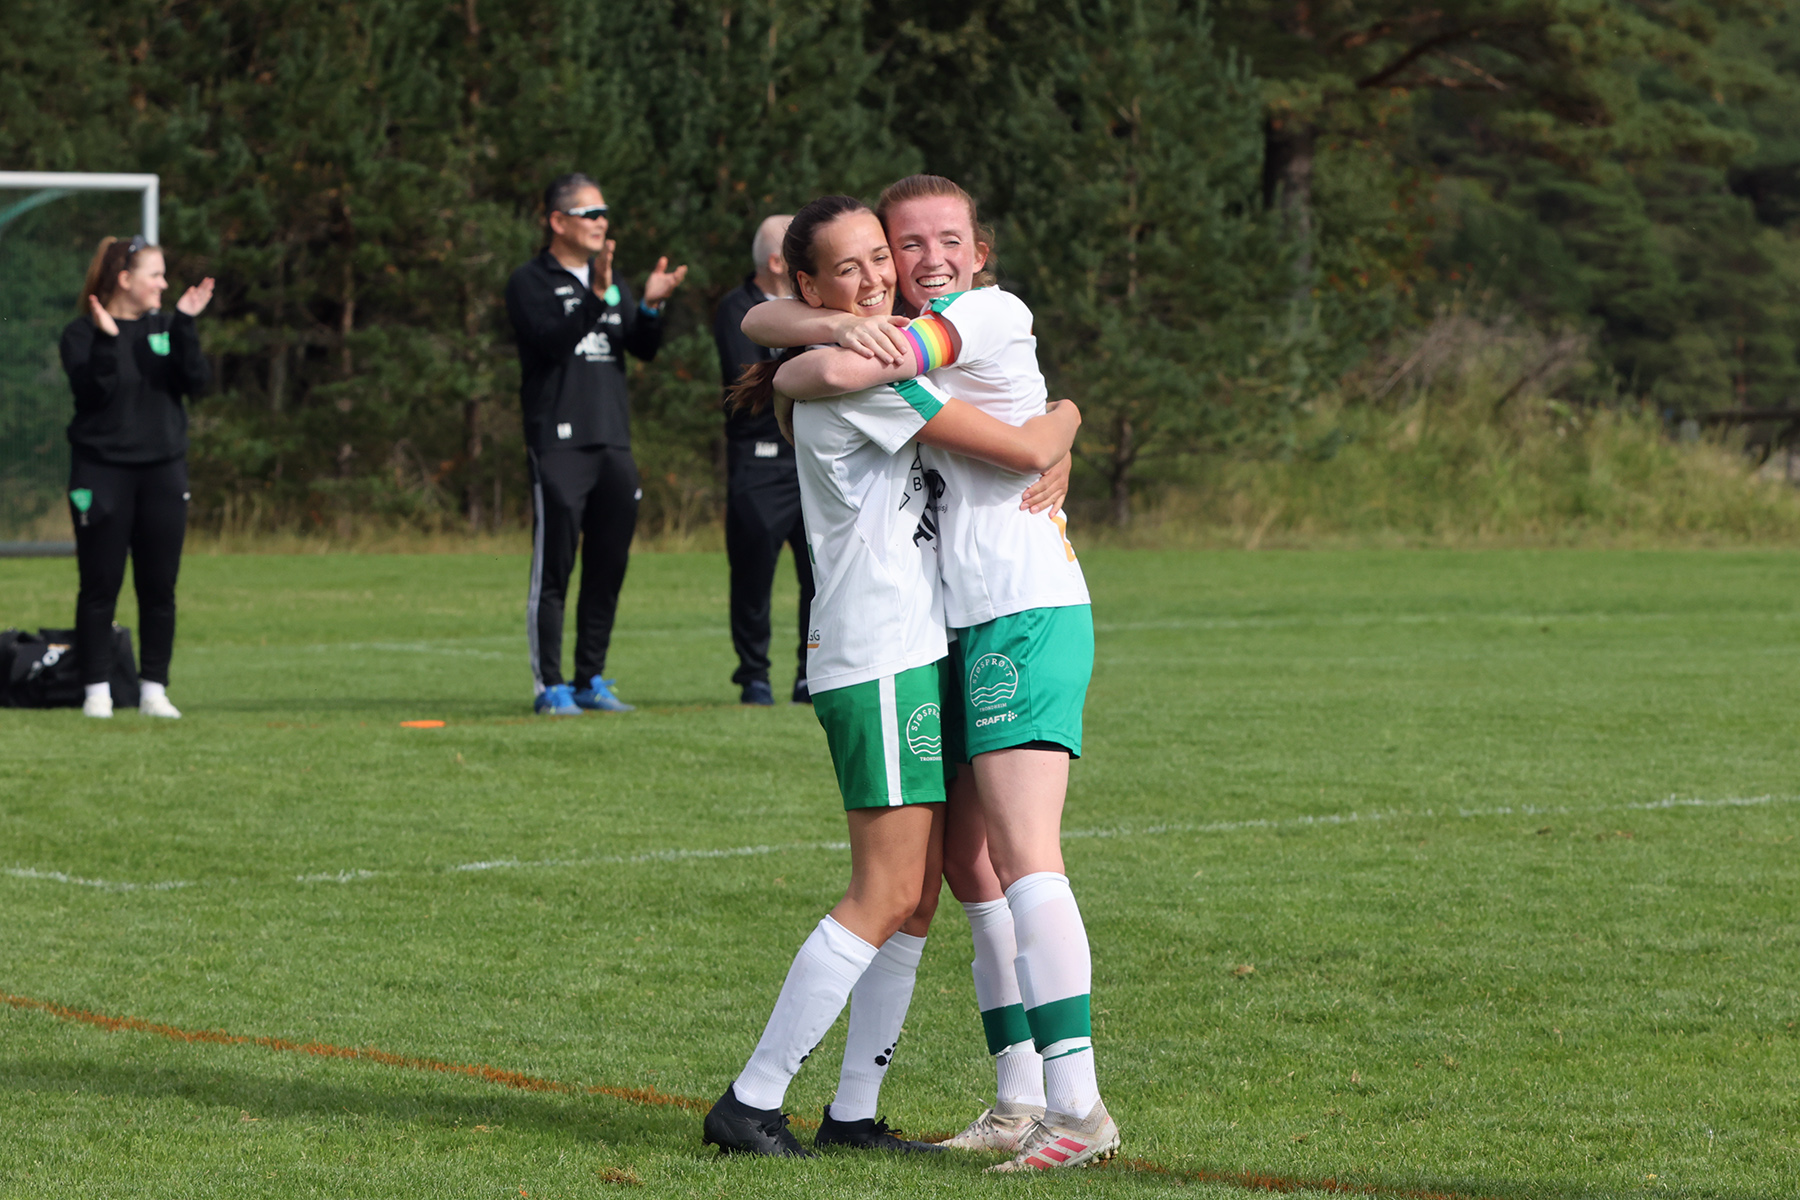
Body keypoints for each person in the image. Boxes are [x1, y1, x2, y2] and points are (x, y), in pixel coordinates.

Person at [742, 174, 1116, 1171]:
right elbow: (792, 351)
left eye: (932, 243)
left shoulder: (956, 327)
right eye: (893, 250)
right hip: (907, 645)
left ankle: (1054, 1103)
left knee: (979, 869)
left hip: (992, 619)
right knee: (936, 879)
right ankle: (1010, 1098)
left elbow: (806, 346)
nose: (911, 265)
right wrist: (801, 344)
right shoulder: (873, 358)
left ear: (981, 252)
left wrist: (1064, 420)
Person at [506, 172, 688, 716]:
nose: (601, 222)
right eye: (590, 213)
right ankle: (550, 685)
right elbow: (553, 343)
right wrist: (595, 294)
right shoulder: (529, 281)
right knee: (556, 568)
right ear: (557, 222)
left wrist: (650, 307)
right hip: (559, 442)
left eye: (604, 213)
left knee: (608, 568)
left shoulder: (612, 281)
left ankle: (590, 679)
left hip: (613, 441)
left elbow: (642, 348)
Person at [58, 235, 214, 720]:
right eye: (155, 274)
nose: (164, 284)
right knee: (100, 584)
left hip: (163, 473)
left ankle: (154, 690)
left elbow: (198, 385)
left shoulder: (168, 328)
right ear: (124, 280)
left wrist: (186, 323)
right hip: (101, 474)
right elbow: (94, 396)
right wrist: (107, 340)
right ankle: (97, 692)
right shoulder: (81, 335)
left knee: (159, 586)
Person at [712, 214, 815, 707]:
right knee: (753, 574)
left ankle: (809, 672)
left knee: (819, 574)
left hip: (809, 459)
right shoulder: (737, 308)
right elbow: (754, 381)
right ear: (778, 261)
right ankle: (753, 675)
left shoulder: (812, 306)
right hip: (759, 460)